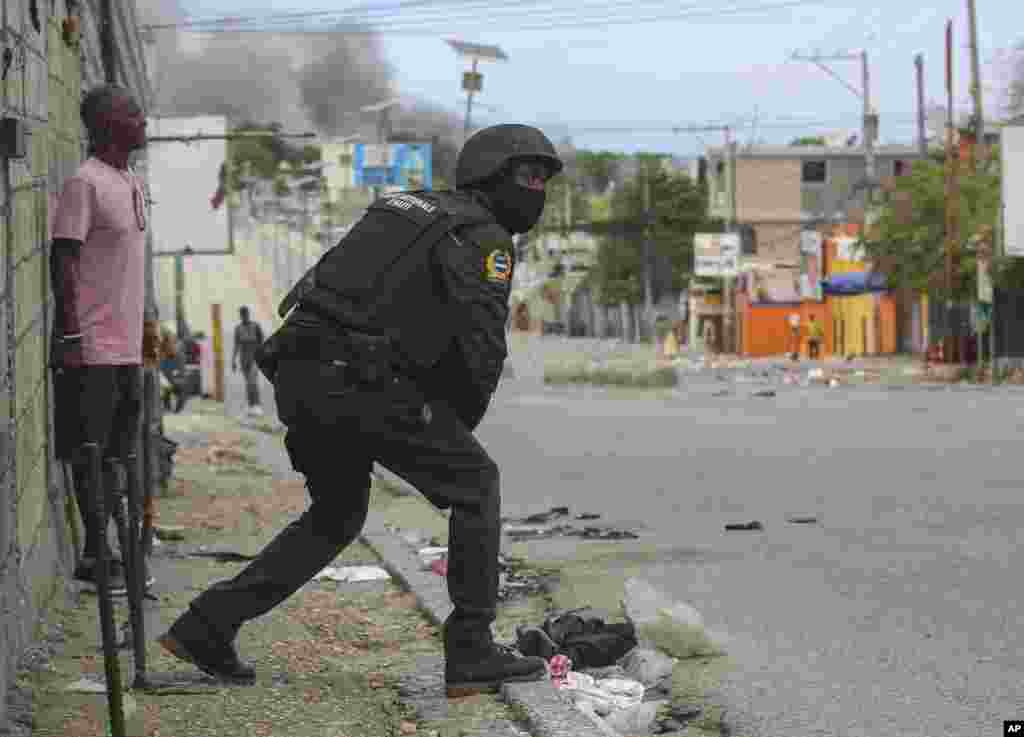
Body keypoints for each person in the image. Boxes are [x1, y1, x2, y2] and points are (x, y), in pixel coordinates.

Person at [158, 124, 563, 696]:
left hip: (301, 372)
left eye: (545, 179)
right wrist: (453, 433)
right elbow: (481, 346)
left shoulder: (402, 207)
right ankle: (471, 648)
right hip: (361, 381)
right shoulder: (485, 236)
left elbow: (323, 283)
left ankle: (208, 624)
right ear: (490, 176)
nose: (538, 189)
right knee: (476, 485)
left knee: (338, 516)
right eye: (529, 176)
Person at [50, 84, 149, 594]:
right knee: (90, 451)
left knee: (117, 452)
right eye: (132, 112)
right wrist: (69, 333)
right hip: (90, 346)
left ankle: (109, 546)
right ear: (107, 123)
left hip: (126, 347)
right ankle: (96, 550)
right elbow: (63, 258)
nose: (142, 118)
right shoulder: (85, 183)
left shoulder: (128, 180)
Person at [232, 306, 265, 416]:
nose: (244, 316)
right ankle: (251, 406)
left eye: (245, 314)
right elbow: (236, 345)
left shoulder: (255, 326)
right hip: (243, 358)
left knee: (252, 382)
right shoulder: (238, 328)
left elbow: (262, 343)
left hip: (254, 358)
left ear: (248, 314)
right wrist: (233, 360)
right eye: (242, 315)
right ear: (240, 316)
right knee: (248, 383)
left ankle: (257, 405)